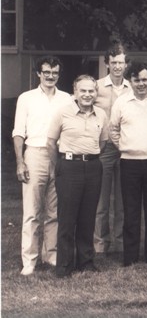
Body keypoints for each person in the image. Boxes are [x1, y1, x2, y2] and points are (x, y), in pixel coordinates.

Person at [12, 56, 72, 276]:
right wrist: (20, 162)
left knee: (55, 210)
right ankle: (29, 260)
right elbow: (18, 132)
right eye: (46, 72)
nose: (50, 76)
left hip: (58, 155)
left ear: (58, 74)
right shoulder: (26, 99)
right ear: (38, 74)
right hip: (34, 154)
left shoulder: (67, 99)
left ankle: (52, 255)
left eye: (54, 72)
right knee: (32, 211)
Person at [110, 62, 147, 266]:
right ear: (130, 81)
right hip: (129, 163)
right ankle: (130, 257)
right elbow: (113, 130)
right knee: (131, 211)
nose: (141, 84)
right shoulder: (121, 102)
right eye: (136, 80)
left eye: (144, 79)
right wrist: (128, 147)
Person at [46, 75, 108, 277]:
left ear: (96, 93)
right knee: (67, 218)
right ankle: (64, 265)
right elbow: (50, 143)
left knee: (88, 216)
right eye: (83, 90)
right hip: (68, 167)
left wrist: (89, 156)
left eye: (91, 91)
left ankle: (86, 262)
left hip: (92, 167)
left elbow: (103, 143)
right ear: (75, 91)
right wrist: (60, 167)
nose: (87, 95)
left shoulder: (101, 115)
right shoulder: (63, 113)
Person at [94, 42, 130, 254]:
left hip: (125, 148)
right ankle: (100, 244)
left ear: (126, 65)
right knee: (101, 200)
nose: (117, 66)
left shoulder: (133, 87)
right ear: (107, 63)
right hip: (104, 147)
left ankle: (120, 243)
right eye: (114, 62)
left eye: (121, 62)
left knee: (122, 200)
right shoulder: (97, 86)